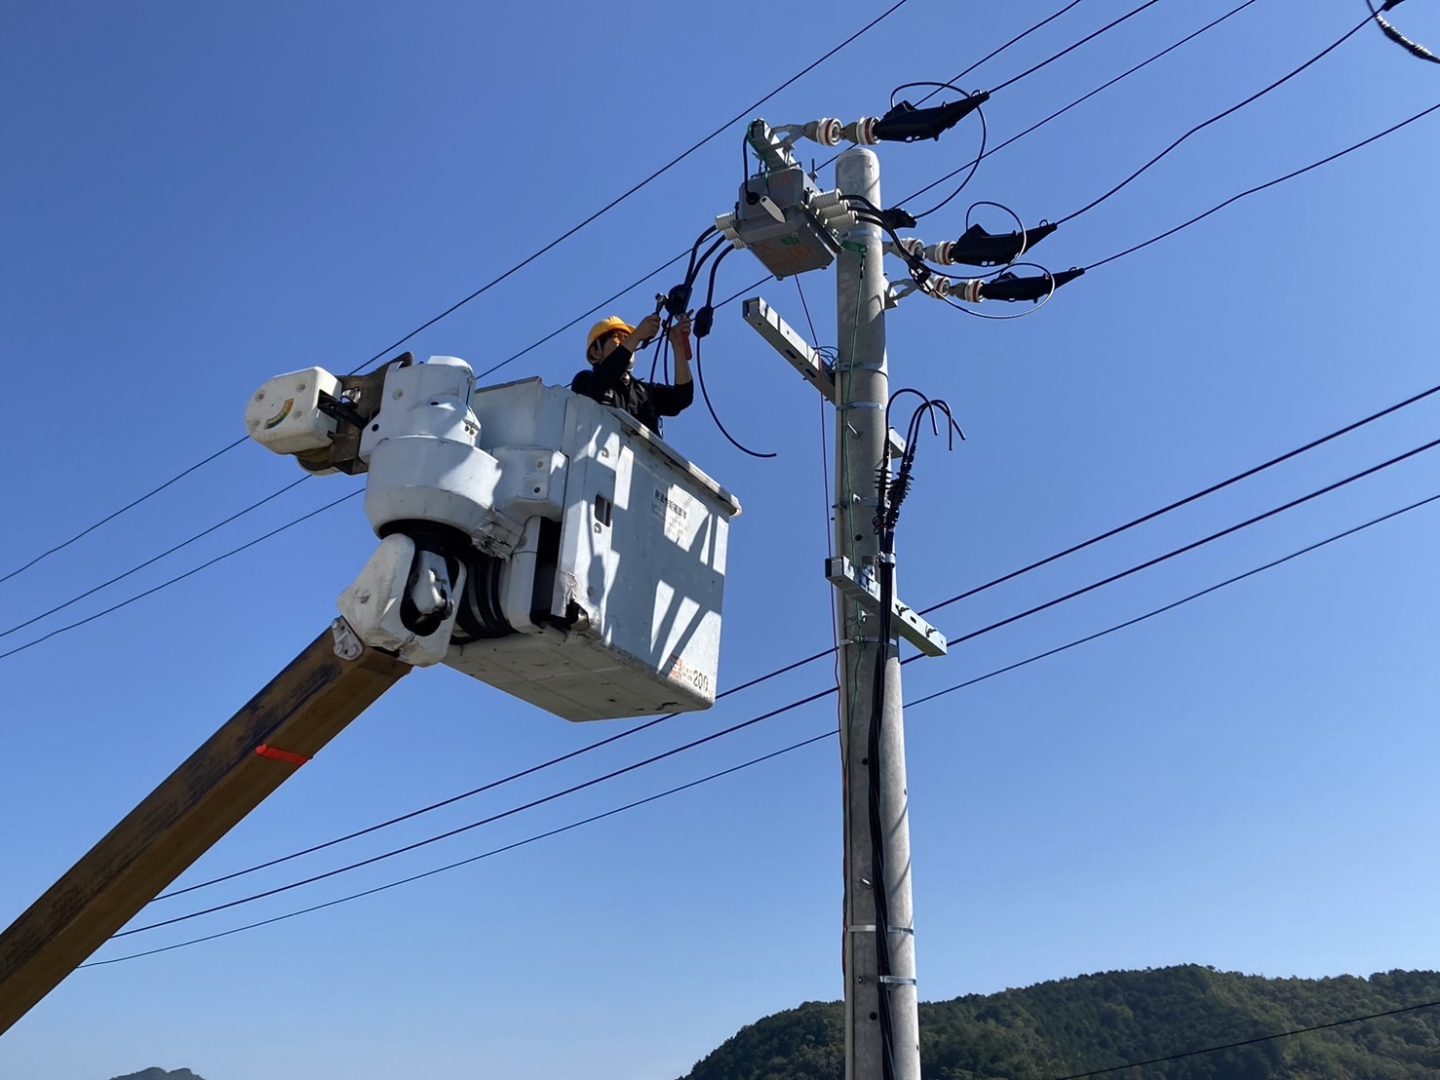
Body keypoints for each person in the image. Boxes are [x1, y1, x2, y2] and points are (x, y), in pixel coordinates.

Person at [570, 310, 695, 436]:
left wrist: (678, 345)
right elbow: (605, 377)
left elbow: (682, 397)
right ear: (595, 352)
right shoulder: (585, 381)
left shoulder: (645, 393)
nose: (628, 342)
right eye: (618, 337)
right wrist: (636, 336)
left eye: (627, 338)